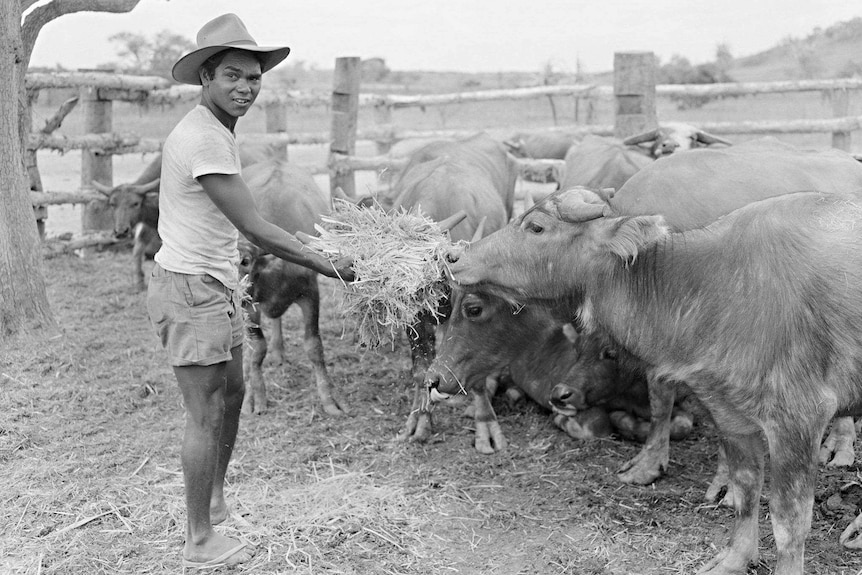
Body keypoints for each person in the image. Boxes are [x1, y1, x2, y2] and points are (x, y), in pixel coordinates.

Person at [146, 13, 354, 569]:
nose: (245, 88)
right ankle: (197, 539)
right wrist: (331, 264)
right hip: (191, 289)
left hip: (218, 283)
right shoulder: (203, 140)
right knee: (205, 412)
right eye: (233, 76)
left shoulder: (217, 131)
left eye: (253, 78)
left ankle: (213, 503)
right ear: (206, 78)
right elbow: (258, 230)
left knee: (233, 392)